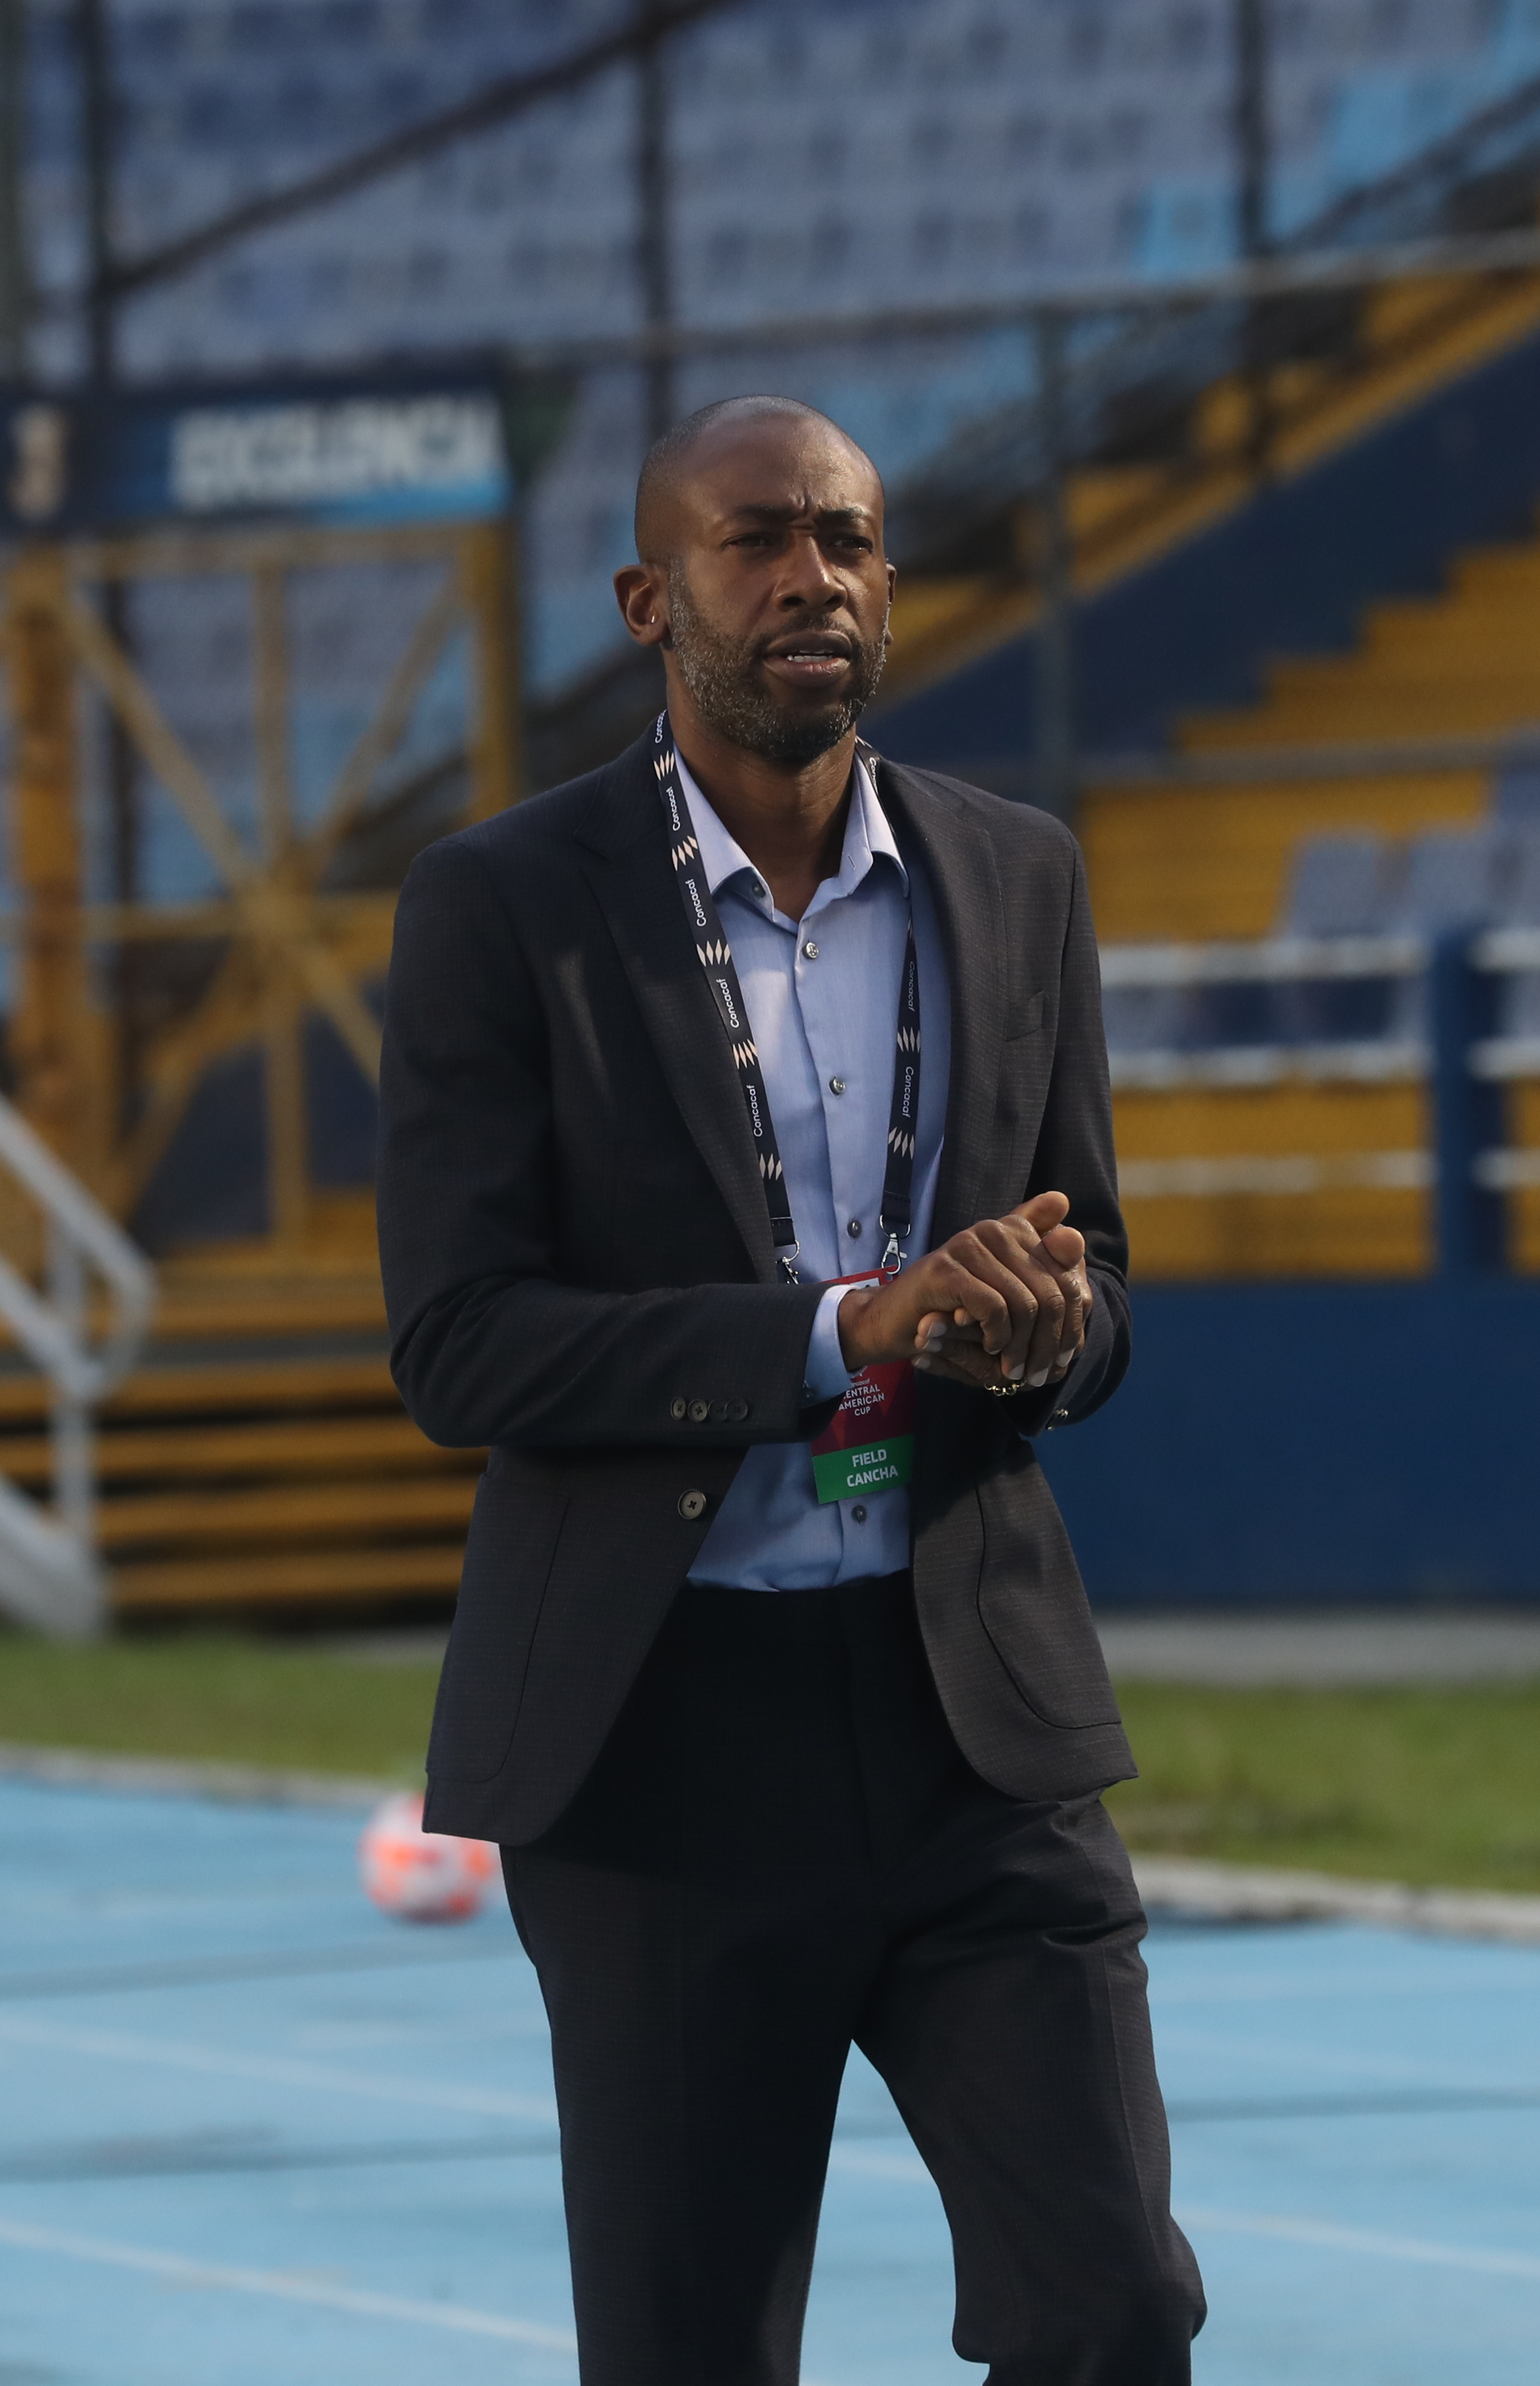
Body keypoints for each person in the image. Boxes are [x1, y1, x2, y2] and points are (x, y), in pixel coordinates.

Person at [379, 396, 1203, 2386]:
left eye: (845, 537)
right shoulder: (507, 906)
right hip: (664, 1743)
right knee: (694, 2349)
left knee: (1114, 2306)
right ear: (654, 601)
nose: (811, 574)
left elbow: (1091, 1272)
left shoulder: (1015, 877)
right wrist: (849, 1333)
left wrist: (1036, 1329)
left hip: (969, 1718)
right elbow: (464, 1341)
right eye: (758, 540)